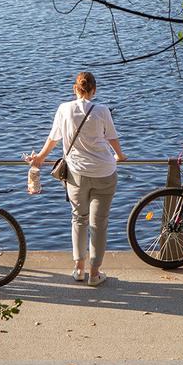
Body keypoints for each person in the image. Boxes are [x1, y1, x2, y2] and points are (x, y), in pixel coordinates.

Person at [28, 72, 126, 286]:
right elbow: (112, 138)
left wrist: (40, 158)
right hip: (104, 173)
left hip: (76, 175)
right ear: (94, 90)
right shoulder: (102, 110)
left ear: (75, 89)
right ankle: (94, 273)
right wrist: (120, 156)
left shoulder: (64, 109)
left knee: (78, 219)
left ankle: (79, 269)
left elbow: (53, 138)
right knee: (98, 224)